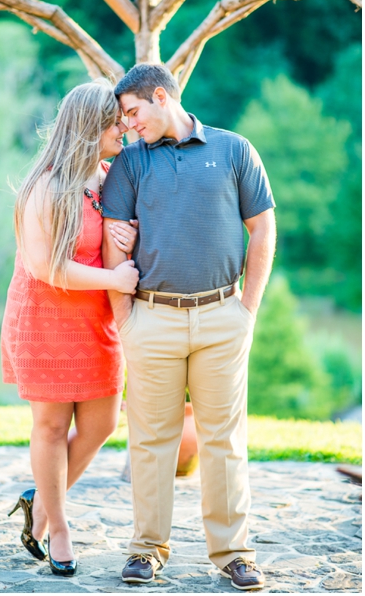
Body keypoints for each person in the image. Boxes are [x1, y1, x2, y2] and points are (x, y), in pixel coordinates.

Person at [101, 63, 276, 590]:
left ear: (161, 96)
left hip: (223, 317)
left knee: (224, 440)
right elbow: (115, 243)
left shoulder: (235, 149)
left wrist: (247, 310)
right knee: (151, 440)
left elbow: (263, 229)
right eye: (124, 118)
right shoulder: (130, 164)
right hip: (151, 318)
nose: (129, 126)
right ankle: (146, 551)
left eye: (133, 113)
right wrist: (126, 319)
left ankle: (233, 554)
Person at [1, 79, 140, 577]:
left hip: (95, 318)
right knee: (52, 427)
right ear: (89, 127)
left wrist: (127, 232)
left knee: (102, 424)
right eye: (114, 121)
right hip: (46, 316)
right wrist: (114, 275)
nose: (124, 128)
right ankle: (57, 526)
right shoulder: (46, 188)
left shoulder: (107, 179)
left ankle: (39, 503)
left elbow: (117, 233)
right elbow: (46, 267)